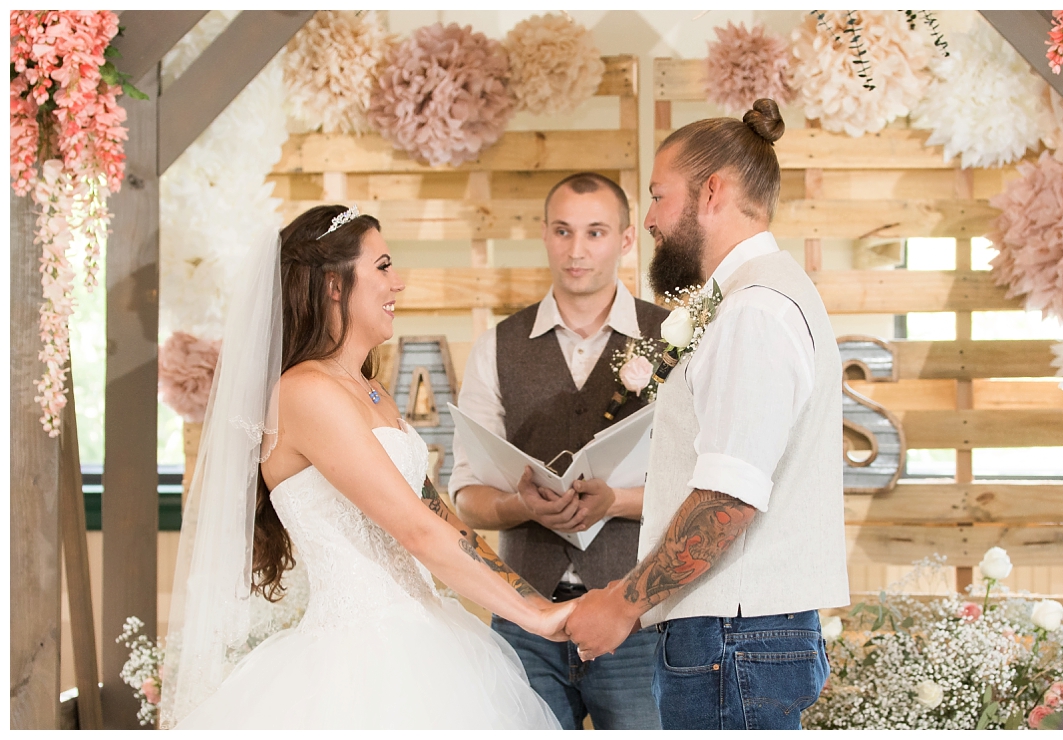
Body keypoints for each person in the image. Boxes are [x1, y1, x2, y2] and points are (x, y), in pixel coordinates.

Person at [160, 205, 569, 729]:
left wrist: (533, 602)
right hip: (359, 667)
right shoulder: (305, 392)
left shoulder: (372, 392)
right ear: (334, 284)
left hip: (430, 643)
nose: (398, 282)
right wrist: (537, 618)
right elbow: (418, 532)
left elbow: (444, 520)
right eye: (382, 266)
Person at [564, 100, 851, 730]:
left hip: (731, 640)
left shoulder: (754, 311)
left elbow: (727, 501)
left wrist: (623, 603)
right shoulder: (762, 297)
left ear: (712, 191)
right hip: (736, 638)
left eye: (659, 195)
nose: (650, 218)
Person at [449, 173, 668, 729]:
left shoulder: (673, 338)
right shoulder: (497, 346)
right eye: (563, 231)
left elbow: (703, 487)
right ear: (544, 235)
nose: (576, 250)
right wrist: (522, 507)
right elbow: (468, 497)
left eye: (595, 233)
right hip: (526, 619)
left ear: (624, 241)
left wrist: (614, 501)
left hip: (639, 617)